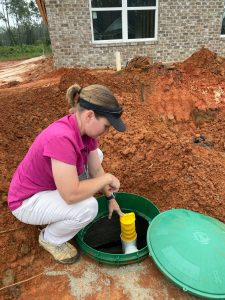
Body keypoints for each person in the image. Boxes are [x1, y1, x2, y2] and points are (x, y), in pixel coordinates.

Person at [8, 83, 126, 264]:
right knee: (88, 207)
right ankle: (50, 239)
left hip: (48, 187)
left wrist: (111, 199)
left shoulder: (85, 131)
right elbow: (71, 195)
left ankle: (56, 214)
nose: (107, 131)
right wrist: (108, 178)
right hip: (27, 201)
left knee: (98, 156)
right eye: (106, 126)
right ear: (89, 116)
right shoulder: (61, 138)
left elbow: (95, 169)